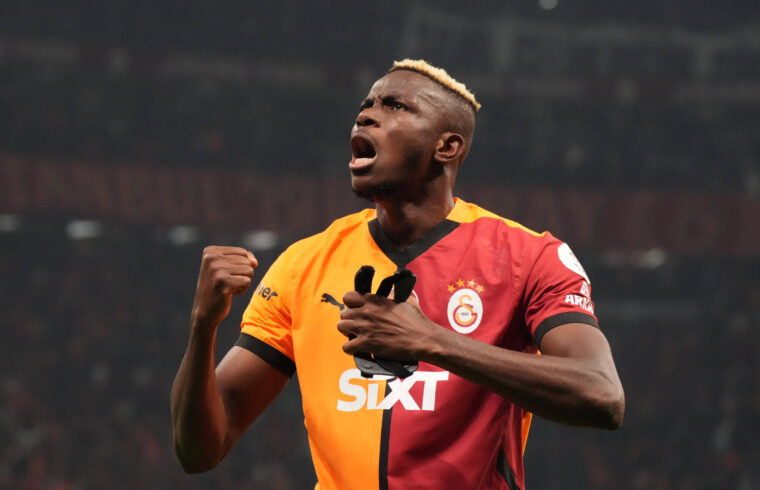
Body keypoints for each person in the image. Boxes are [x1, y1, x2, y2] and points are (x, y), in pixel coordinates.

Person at [171, 59, 625, 490]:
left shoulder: (529, 256)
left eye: (395, 106)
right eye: (365, 106)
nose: (366, 117)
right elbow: (200, 451)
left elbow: (602, 396)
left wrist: (432, 342)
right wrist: (202, 326)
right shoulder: (302, 265)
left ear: (447, 147)